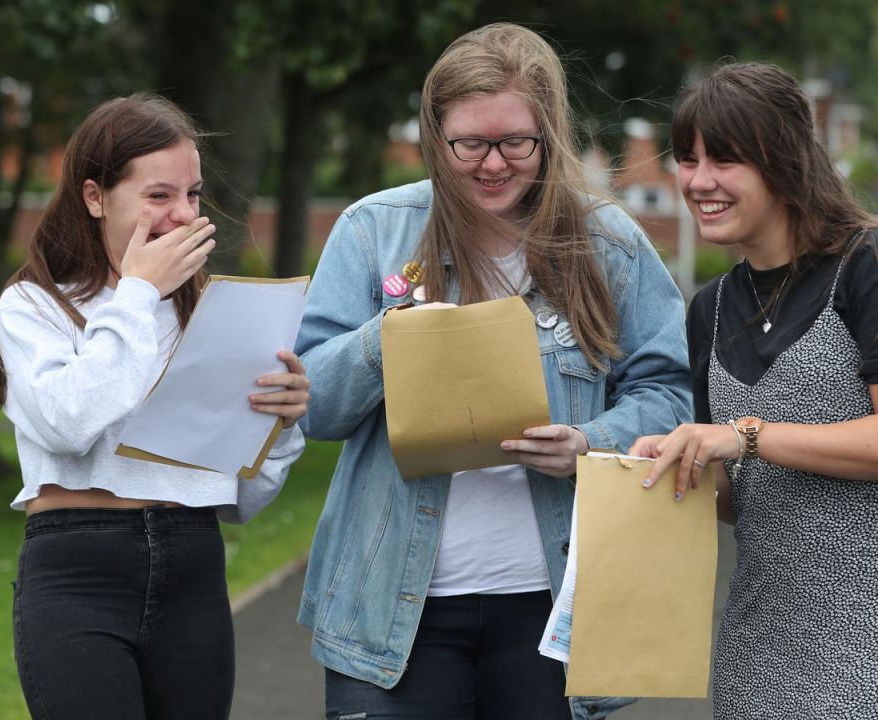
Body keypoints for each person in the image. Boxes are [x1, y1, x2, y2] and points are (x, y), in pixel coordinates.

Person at [294, 23, 692, 720]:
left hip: (550, 610)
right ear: (435, 135)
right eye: (469, 144)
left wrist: (590, 443)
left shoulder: (608, 242)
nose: (493, 164)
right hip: (389, 613)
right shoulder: (372, 231)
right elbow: (314, 408)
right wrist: (388, 338)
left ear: (549, 133)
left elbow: (673, 392)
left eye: (515, 142)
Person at [0, 93, 310, 720]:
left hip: (193, 564)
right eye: (159, 195)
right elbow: (69, 423)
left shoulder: (211, 313)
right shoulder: (35, 306)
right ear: (95, 197)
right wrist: (136, 294)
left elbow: (241, 499)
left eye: (193, 194)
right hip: (78, 569)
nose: (184, 214)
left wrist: (283, 426)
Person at [630, 62, 878, 719]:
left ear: (785, 160)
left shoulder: (865, 265)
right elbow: (742, 500)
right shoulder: (707, 309)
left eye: (725, 159)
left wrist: (744, 437)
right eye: (688, 159)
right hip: (756, 659)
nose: (698, 181)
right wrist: (678, 463)